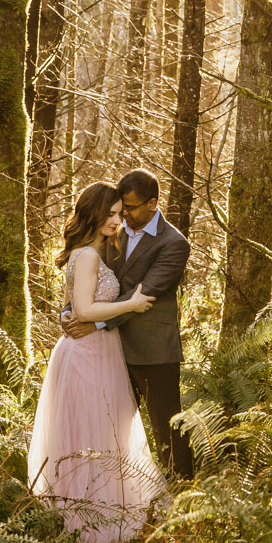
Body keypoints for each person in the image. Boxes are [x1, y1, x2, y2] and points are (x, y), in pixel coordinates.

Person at [27, 181, 165, 543]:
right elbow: (85, 310)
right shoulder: (87, 255)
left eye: (121, 213)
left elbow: (74, 306)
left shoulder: (88, 250)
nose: (117, 220)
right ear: (94, 213)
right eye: (112, 214)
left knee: (97, 431)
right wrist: (130, 305)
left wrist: (68, 314)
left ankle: (92, 511)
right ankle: (91, 521)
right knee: (95, 431)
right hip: (89, 351)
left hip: (92, 348)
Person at [62, 168, 195, 479]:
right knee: (110, 427)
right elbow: (88, 283)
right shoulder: (111, 231)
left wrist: (92, 324)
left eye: (130, 208)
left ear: (152, 204)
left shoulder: (174, 243)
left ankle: (185, 491)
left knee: (168, 427)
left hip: (152, 351)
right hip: (107, 352)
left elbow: (143, 297)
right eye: (120, 208)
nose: (123, 215)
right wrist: (68, 313)